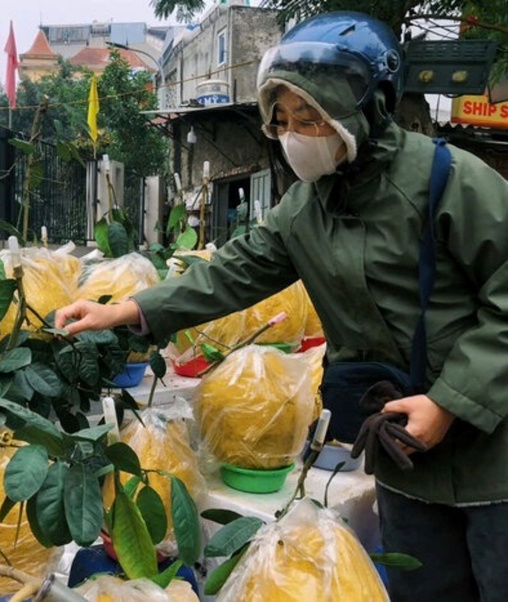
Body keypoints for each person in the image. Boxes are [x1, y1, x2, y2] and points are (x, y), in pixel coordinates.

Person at [55, 11, 508, 602]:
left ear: (367, 108)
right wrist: (127, 310)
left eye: (312, 117)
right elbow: (232, 273)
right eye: (285, 119)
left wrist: (450, 402)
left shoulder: (450, 181)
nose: (295, 134)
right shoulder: (307, 208)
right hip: (403, 451)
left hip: (491, 454)